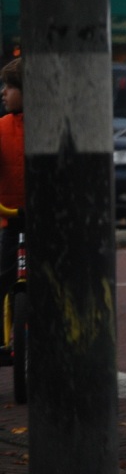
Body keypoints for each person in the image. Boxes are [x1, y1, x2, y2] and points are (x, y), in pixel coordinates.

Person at [0, 58, 23, 310]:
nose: (3, 92)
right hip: (10, 216)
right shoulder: (2, 127)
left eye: (10, 86)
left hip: (38, 219)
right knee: (4, 274)